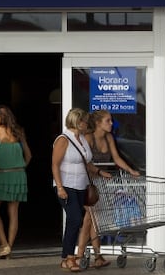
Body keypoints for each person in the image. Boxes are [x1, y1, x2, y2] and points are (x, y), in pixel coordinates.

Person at [76, 109, 140, 268]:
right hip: (88, 182)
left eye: (111, 120)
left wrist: (130, 170)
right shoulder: (89, 138)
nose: (111, 123)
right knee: (89, 219)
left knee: (95, 220)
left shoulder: (109, 137)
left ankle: (97, 257)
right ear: (98, 123)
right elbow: (84, 162)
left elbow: (117, 158)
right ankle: (79, 256)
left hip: (101, 183)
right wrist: (99, 172)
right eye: (108, 121)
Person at [51, 108, 111, 272]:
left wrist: (99, 172)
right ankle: (69, 258)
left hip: (81, 186)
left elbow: (87, 163)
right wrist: (60, 187)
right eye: (85, 121)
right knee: (76, 218)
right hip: (66, 185)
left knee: (76, 220)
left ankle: (67, 257)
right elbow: (55, 165)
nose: (87, 124)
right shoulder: (63, 140)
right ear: (78, 122)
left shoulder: (82, 139)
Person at [0, 104, 32, 259]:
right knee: (13, 213)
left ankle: (4, 244)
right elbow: (29, 156)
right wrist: (19, 167)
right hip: (19, 175)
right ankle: (9, 248)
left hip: (3, 175)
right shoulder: (19, 131)